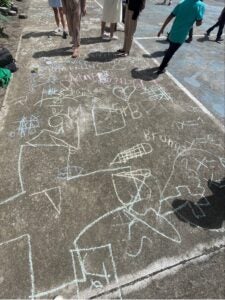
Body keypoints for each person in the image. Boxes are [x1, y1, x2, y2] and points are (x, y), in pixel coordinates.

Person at [157, 0, 205, 74]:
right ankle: (161, 68)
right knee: (170, 52)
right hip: (181, 35)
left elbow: (170, 16)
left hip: (173, 31)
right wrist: (200, 20)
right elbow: (198, 23)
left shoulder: (182, 2)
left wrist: (162, 28)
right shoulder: (201, 5)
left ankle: (164, 64)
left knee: (170, 48)